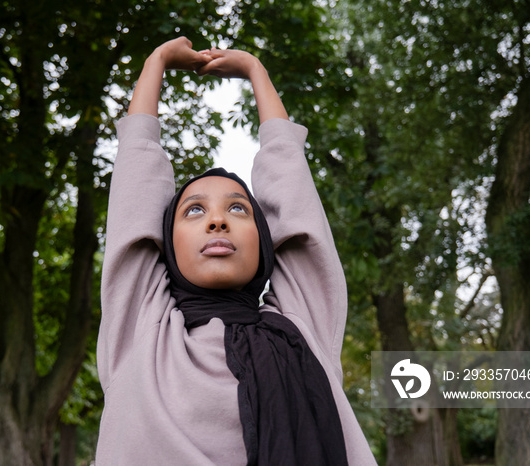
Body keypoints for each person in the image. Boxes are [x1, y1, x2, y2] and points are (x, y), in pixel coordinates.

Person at [95, 36, 376, 465]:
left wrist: (256, 72)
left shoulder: (302, 328)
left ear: (264, 240)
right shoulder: (141, 333)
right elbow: (135, 191)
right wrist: (155, 63)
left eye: (238, 209)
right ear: (166, 245)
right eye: (193, 211)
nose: (217, 220)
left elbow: (298, 208)